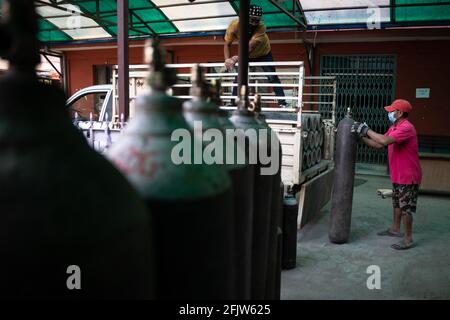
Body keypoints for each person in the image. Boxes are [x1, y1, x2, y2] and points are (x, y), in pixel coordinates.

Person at [352, 99, 422, 250]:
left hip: (408, 175)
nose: (389, 113)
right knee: (397, 203)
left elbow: (383, 141)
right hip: (398, 174)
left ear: (400, 113)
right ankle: (395, 229)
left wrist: (366, 130)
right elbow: (378, 144)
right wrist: (361, 138)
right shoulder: (394, 127)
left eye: (392, 111)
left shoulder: (406, 128)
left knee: (405, 207)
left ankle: (408, 239)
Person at [223, 4, 287, 107]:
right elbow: (227, 44)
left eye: (257, 20)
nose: (253, 23)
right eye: (251, 19)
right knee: (239, 76)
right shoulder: (234, 25)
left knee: (272, 76)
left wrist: (235, 58)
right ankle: (233, 102)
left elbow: (249, 47)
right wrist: (227, 59)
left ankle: (282, 103)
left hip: (263, 53)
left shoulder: (261, 27)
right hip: (246, 54)